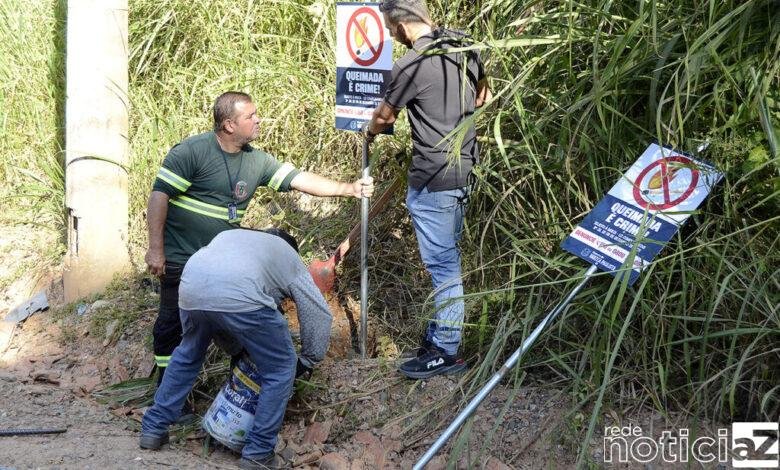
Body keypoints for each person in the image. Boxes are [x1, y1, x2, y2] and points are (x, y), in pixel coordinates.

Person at [145, 91, 373, 393]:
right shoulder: (191, 152)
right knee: (172, 327)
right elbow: (159, 196)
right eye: (250, 116)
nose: (258, 120)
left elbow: (299, 179)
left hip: (223, 264)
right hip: (181, 257)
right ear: (228, 125)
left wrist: (348, 189)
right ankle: (167, 393)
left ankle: (236, 393)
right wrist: (156, 249)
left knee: (237, 332)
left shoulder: (257, 161)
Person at [364, 0, 490, 379]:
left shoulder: (409, 64)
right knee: (449, 257)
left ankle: (446, 351)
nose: (390, 36)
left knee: (444, 269)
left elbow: (385, 117)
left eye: (389, 29)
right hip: (464, 170)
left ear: (401, 26)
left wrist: (368, 130)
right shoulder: (465, 43)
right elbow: (484, 94)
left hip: (433, 179)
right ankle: (439, 337)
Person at [140, 228, 331, 469]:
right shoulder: (289, 257)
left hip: (192, 285)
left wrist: (238, 350)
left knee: (188, 353)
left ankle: (153, 426)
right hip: (239, 293)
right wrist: (308, 358)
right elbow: (318, 313)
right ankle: (258, 451)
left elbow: (222, 318)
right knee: (281, 368)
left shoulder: (234, 237)